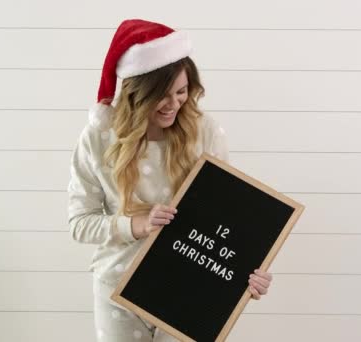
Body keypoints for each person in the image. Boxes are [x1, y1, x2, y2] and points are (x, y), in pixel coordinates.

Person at [68, 19, 273, 342]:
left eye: (182, 91)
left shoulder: (205, 132)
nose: (175, 103)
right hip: (117, 288)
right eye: (163, 96)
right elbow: (80, 223)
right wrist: (135, 225)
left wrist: (246, 272)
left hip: (188, 290)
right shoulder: (98, 136)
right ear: (139, 93)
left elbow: (225, 219)